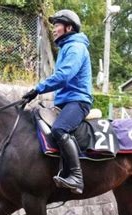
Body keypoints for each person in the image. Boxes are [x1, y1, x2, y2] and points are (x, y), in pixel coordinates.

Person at [23, 9, 93, 194]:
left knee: (59, 129)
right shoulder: (65, 48)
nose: (53, 29)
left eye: (57, 25)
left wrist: (37, 89)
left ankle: (77, 177)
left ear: (68, 27)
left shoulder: (76, 47)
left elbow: (64, 76)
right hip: (65, 102)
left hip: (78, 101)